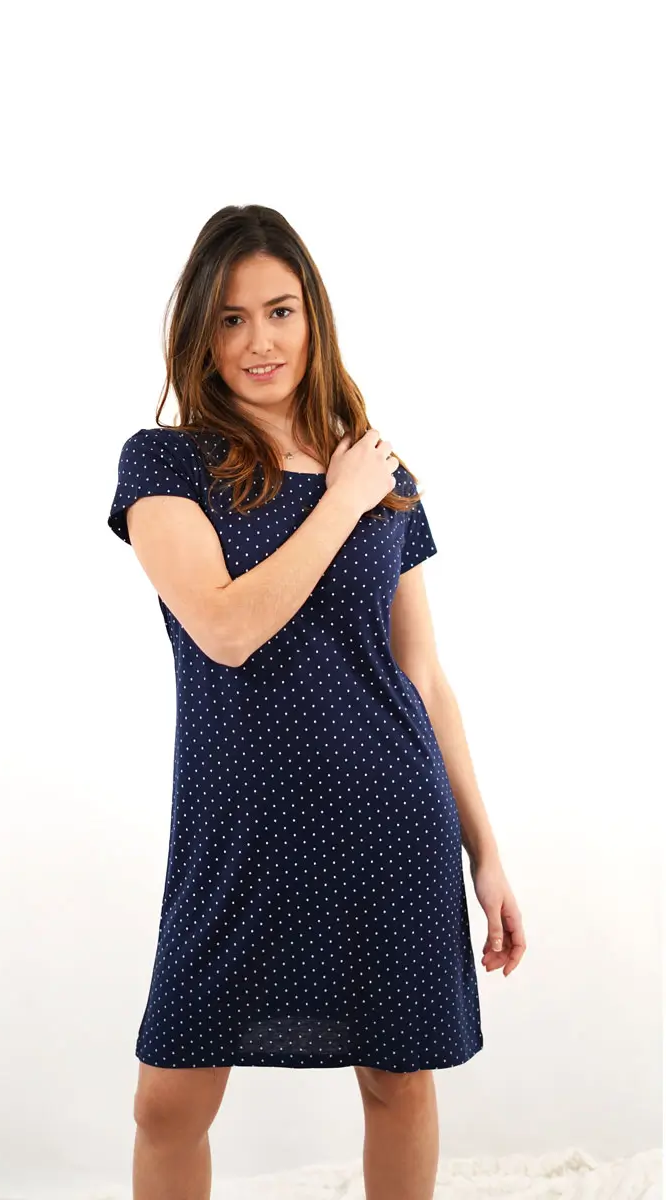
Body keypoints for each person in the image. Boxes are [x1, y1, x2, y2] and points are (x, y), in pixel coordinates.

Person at [107, 204, 527, 1200]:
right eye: (232, 319)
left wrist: (485, 850)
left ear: (313, 318)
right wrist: (339, 501)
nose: (260, 341)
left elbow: (423, 677)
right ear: (201, 333)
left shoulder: (381, 471)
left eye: (280, 311)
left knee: (397, 1081)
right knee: (166, 1104)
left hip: (391, 819)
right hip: (238, 831)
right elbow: (224, 629)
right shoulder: (166, 463)